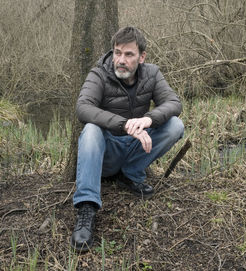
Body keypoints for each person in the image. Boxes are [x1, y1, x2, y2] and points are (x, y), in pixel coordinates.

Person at [70, 26, 184, 252]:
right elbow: (82, 108)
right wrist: (123, 125)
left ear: (142, 57)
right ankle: (87, 208)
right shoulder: (99, 74)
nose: (121, 60)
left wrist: (149, 119)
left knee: (175, 125)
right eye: (117, 53)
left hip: (135, 148)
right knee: (91, 129)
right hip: (107, 152)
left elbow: (174, 103)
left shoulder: (152, 73)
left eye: (129, 54)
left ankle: (130, 175)